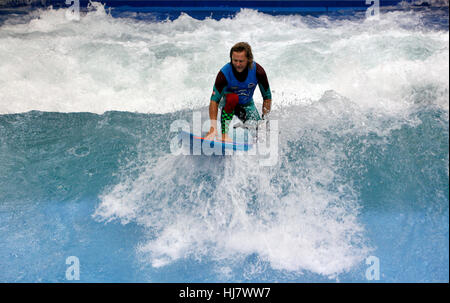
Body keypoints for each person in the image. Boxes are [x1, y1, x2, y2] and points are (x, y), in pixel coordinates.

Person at [205, 42, 272, 142]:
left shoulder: (258, 72)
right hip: (228, 103)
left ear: (249, 60)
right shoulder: (224, 73)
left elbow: (267, 97)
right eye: (235, 60)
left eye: (241, 61)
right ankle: (224, 134)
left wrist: (264, 119)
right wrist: (213, 128)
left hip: (247, 105)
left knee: (260, 132)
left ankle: (244, 138)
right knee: (233, 98)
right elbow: (214, 100)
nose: (237, 64)